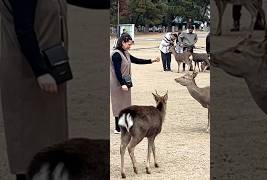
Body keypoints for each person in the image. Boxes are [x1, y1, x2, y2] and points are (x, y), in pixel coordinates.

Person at [0, 1, 108, 180]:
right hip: (28, 73)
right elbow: (23, 29)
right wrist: (40, 72)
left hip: (49, 69)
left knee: (51, 138)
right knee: (29, 140)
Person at [111, 33, 160, 134]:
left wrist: (151, 60)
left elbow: (136, 60)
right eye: (128, 44)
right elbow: (117, 71)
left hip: (125, 82)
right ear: (123, 42)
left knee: (125, 104)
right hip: (117, 83)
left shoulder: (126, 53)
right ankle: (117, 128)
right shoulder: (116, 54)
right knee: (118, 104)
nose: (130, 46)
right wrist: (122, 83)